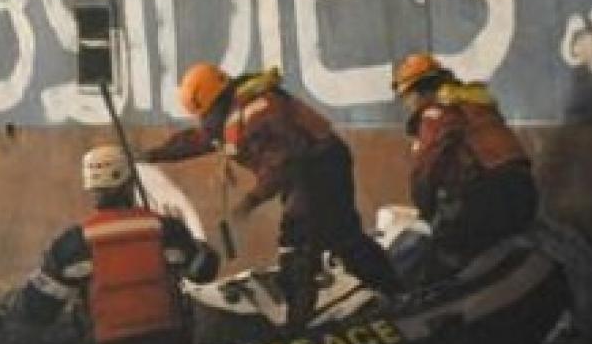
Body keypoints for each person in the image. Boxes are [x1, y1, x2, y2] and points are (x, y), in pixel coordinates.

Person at [142, 63, 402, 326]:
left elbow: (283, 162)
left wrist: (250, 201)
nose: (204, 122)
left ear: (217, 103)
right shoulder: (233, 113)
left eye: (206, 114)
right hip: (314, 164)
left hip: (315, 166)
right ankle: (394, 292)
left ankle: (299, 325)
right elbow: (198, 139)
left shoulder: (259, 114)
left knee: (298, 243)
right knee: (343, 237)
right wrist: (154, 154)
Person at [15, 143, 218, 344]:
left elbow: (37, 310)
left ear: (90, 187)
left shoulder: (72, 244)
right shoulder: (169, 230)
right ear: (131, 182)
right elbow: (204, 272)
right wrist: (199, 246)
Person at [391, 53, 539, 265]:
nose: (406, 104)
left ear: (420, 92)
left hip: (489, 199)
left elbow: (428, 168)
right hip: (526, 194)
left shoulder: (436, 114)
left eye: (407, 97)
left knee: (438, 250)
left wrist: (425, 211)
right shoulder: (475, 104)